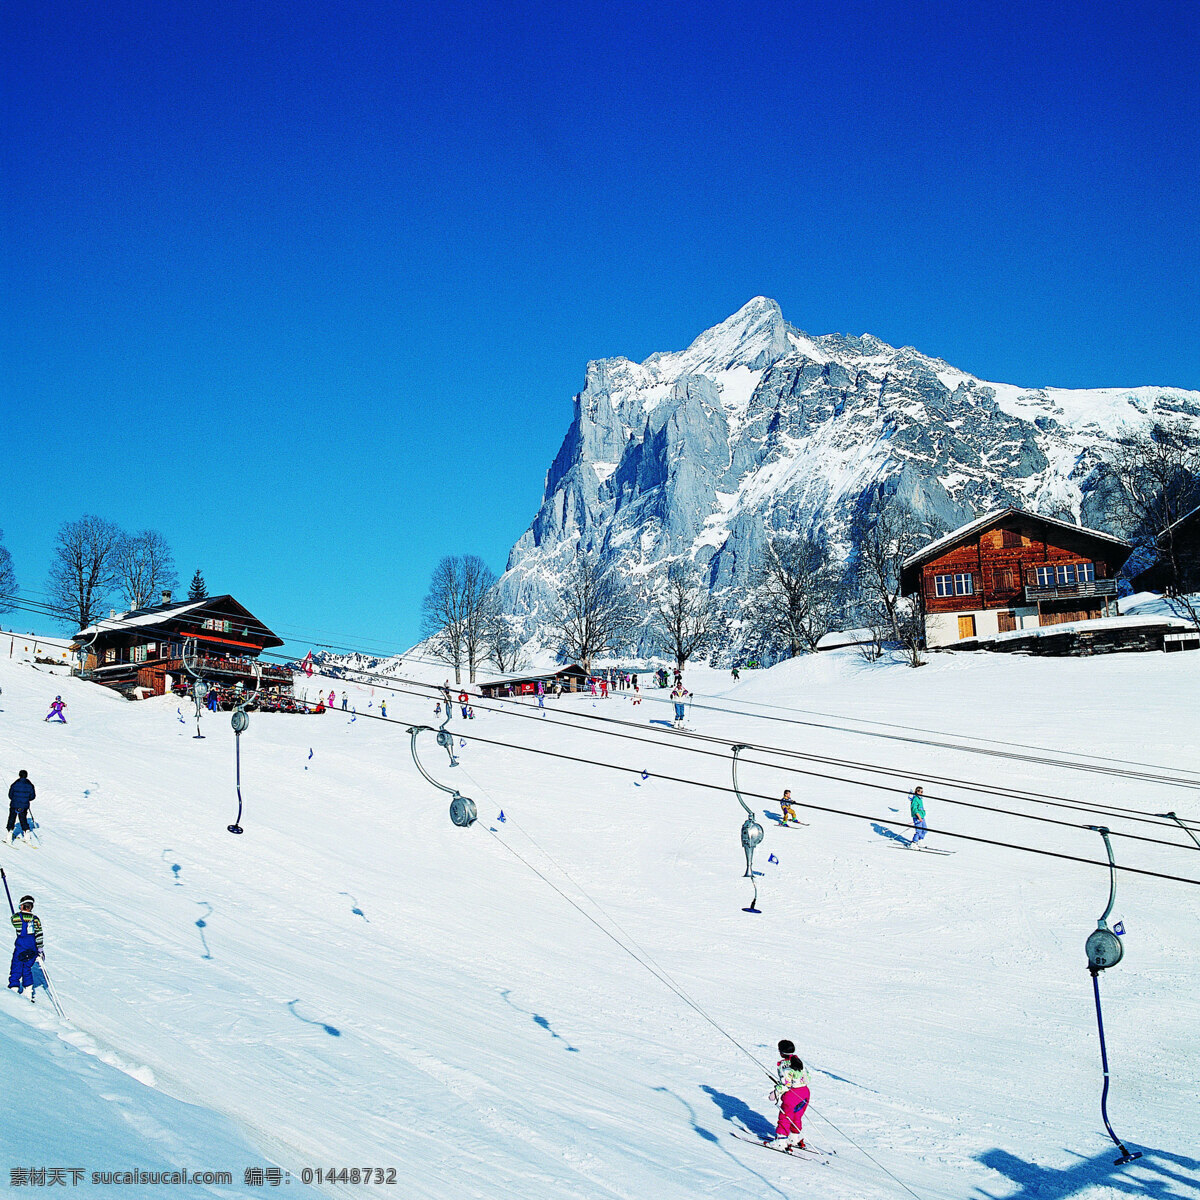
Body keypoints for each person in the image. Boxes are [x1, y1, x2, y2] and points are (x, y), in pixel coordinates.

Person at [766, 1040, 811, 1150]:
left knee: (785, 1116)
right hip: (805, 1092)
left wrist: (775, 1093)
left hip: (792, 1095)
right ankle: (793, 1137)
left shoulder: (783, 1066)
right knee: (797, 1115)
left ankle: (781, 1142)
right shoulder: (798, 1061)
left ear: (781, 1052)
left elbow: (786, 1084)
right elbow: (807, 1078)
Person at [8, 895, 43, 999]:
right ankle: (28, 990)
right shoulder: (36, 919)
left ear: (22, 906)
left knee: (16, 967)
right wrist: (40, 949)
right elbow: (39, 935)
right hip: (32, 949)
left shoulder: (17, 918)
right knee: (27, 968)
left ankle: (14, 987)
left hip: (21, 949)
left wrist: (17, 914)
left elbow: (13, 920)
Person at [7, 770, 35, 843]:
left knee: (12, 819)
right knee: (23, 819)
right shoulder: (30, 785)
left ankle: (9, 836)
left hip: (14, 804)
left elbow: (10, 795)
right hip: (24, 805)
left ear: (19, 775)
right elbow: (32, 796)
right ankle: (27, 835)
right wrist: (26, 799)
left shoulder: (15, 784)